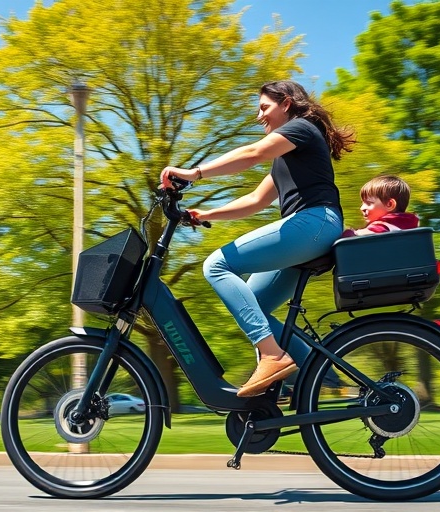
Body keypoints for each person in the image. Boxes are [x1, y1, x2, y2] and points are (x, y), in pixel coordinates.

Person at [160, 80, 355, 397]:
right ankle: (314, 375)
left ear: (287, 104)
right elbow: (255, 200)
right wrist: (205, 214)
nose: (259, 116)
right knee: (252, 304)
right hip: (311, 229)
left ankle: (272, 356)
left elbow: (251, 154)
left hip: (315, 222)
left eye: (264, 108)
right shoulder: (288, 154)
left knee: (217, 265)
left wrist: (192, 173)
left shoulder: (302, 129)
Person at [341, 174, 418, 237]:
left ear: (389, 204)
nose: (362, 208)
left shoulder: (383, 226)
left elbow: (356, 237)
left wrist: (347, 232)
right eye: (362, 203)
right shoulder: (408, 227)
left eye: (368, 203)